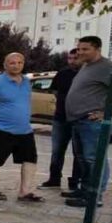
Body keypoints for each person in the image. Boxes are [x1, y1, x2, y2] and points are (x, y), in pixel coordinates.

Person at [64, 36, 112, 209]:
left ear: (97, 49)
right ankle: (86, 190)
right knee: (83, 159)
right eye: (79, 49)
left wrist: (111, 113)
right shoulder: (86, 65)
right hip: (79, 120)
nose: (80, 52)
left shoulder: (108, 67)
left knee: (94, 158)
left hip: (92, 122)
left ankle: (95, 195)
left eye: (85, 49)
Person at [0, 52, 45, 203]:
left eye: (19, 62)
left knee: (30, 159)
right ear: (5, 65)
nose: (16, 65)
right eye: (12, 63)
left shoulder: (27, 82)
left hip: (25, 130)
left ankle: (24, 192)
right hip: (1, 129)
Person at [39, 50, 81, 190]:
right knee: (57, 150)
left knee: (78, 152)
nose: (72, 61)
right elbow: (55, 91)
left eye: (75, 58)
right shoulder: (62, 73)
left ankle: (75, 181)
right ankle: (54, 178)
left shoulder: (85, 74)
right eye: (70, 58)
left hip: (79, 119)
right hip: (60, 118)